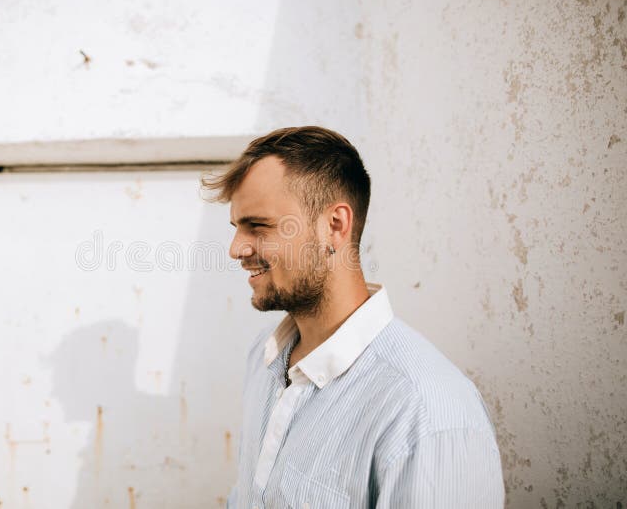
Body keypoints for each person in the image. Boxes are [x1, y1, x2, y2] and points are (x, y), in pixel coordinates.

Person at [202, 126, 504, 508]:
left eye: (258, 225)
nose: (236, 248)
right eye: (236, 227)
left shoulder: (424, 408)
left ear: (335, 226)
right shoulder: (262, 361)